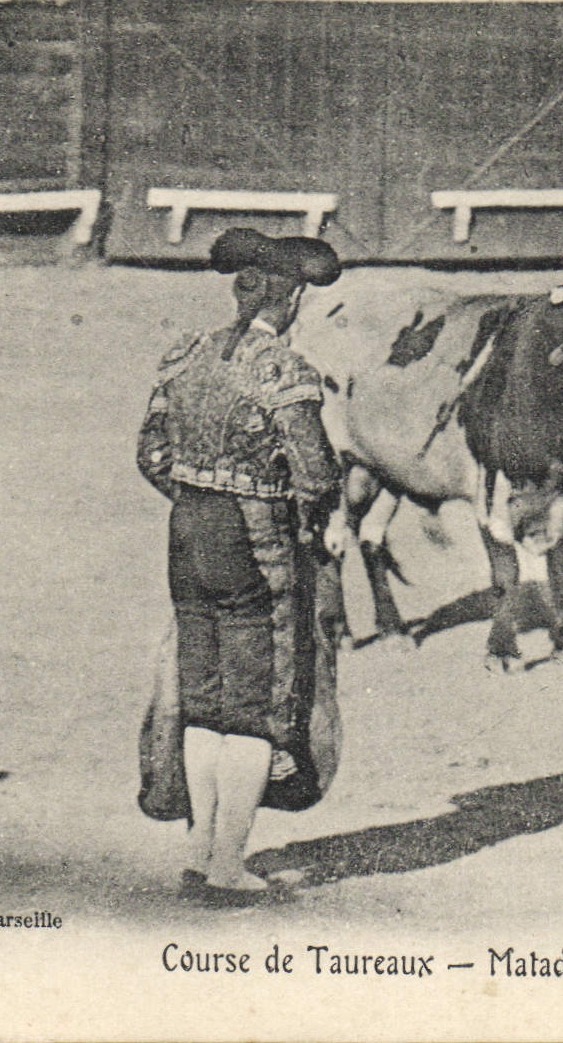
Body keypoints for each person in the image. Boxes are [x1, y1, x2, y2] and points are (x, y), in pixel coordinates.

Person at [136, 227, 345, 904]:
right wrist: (289, 511)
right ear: (290, 301)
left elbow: (151, 455)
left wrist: (200, 492)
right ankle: (229, 858)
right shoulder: (282, 369)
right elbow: (315, 473)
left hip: (187, 533)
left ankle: (198, 848)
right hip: (256, 542)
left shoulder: (185, 353)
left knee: (203, 690)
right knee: (258, 700)